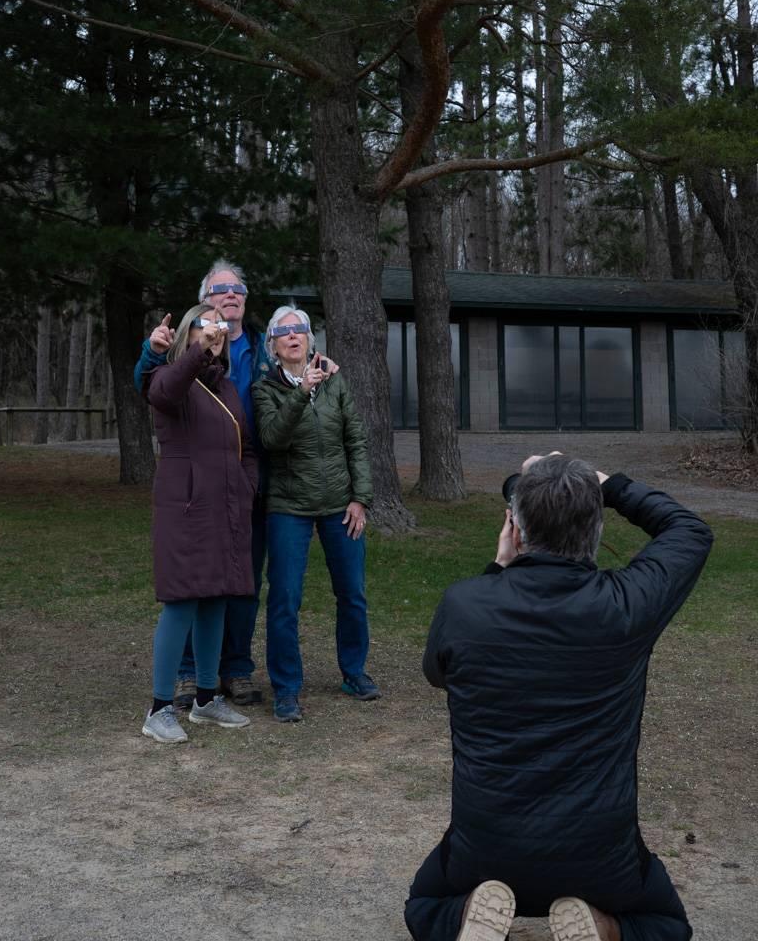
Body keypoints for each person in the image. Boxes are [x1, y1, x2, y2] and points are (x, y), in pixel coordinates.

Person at [405, 452, 713, 941]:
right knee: (664, 924)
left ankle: (466, 916)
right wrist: (607, 483)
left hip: (485, 846)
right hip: (600, 854)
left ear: (516, 531)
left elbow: (437, 674)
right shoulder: (626, 606)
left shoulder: (466, 604)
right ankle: (607, 927)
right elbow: (689, 532)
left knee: (424, 904)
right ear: (596, 529)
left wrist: (496, 571)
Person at [135, 258, 270, 707]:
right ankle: (161, 706)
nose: (214, 332)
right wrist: (192, 351)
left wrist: (247, 484)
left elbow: (245, 445)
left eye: (219, 329)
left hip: (229, 508)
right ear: (187, 333)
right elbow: (163, 390)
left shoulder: (226, 385)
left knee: (218, 600)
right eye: (205, 326)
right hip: (187, 509)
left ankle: (208, 699)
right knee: (183, 603)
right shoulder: (167, 376)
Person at [252, 305, 378, 724]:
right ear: (273, 346)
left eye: (300, 330)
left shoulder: (335, 380)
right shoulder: (265, 389)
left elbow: (355, 440)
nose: (293, 336)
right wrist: (301, 390)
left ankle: (354, 672)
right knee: (285, 600)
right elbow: (272, 439)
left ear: (310, 340)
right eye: (284, 332)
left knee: (353, 594)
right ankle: (286, 688)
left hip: (340, 505)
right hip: (289, 507)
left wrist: (360, 497)